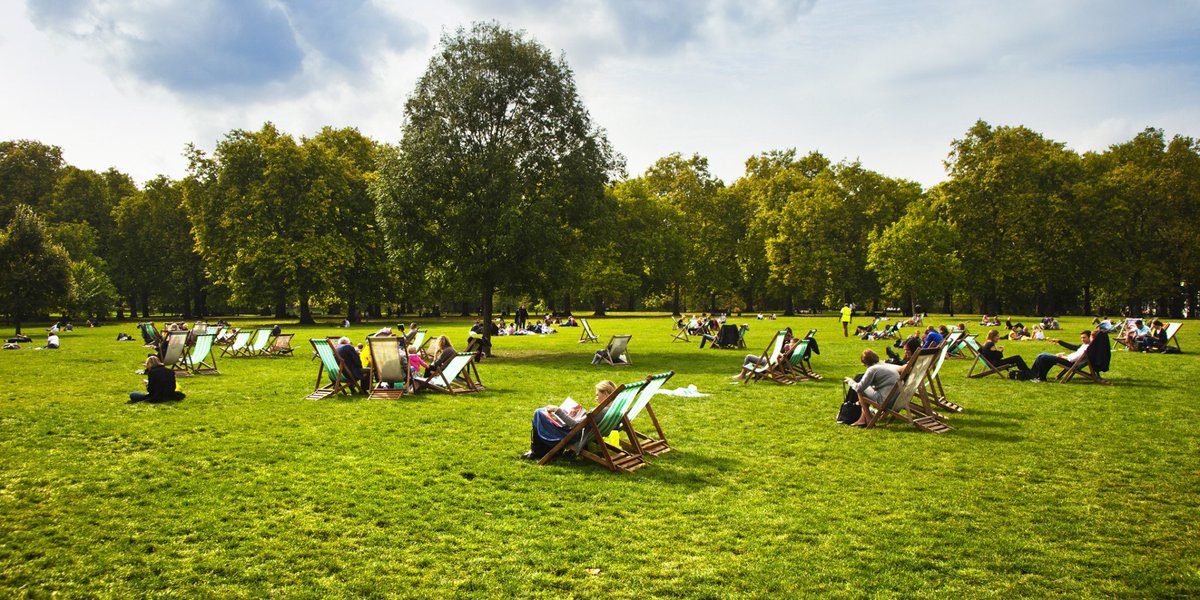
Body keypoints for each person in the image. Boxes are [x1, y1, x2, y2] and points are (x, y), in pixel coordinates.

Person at [522, 380, 617, 460]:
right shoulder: (614, 409)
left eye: (597, 395)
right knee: (543, 413)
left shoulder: (600, 411)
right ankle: (544, 450)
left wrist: (557, 410)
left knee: (539, 413)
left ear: (605, 393)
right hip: (582, 433)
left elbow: (576, 426)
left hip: (574, 436)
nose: (595, 398)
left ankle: (537, 452)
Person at [844, 349, 902, 427]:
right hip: (897, 399)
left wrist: (850, 381)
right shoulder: (883, 365)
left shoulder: (872, 369)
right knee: (866, 389)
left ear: (865, 363)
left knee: (860, 391)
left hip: (886, 401)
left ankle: (868, 420)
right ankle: (863, 419)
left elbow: (859, 388)